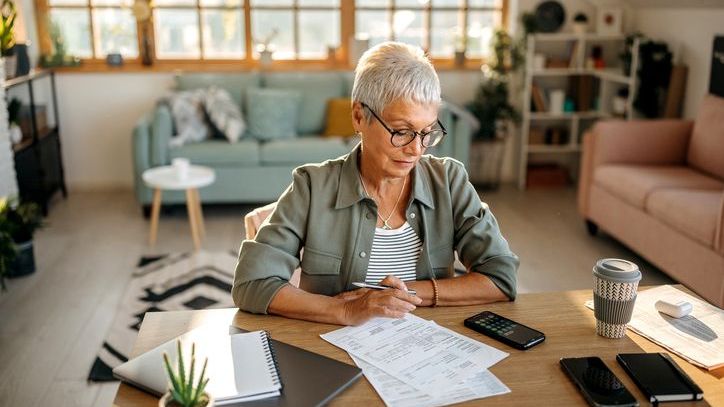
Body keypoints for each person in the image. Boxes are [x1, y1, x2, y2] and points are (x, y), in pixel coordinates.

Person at [232, 42, 519, 326]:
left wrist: (404, 294)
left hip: (430, 351)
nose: (416, 149)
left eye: (426, 132)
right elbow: (251, 284)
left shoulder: (450, 181)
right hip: (333, 354)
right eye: (402, 131)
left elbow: (500, 278)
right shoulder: (311, 187)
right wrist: (344, 311)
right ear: (359, 116)